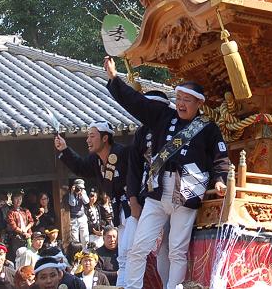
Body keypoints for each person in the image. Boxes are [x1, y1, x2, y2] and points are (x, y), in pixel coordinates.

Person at [104, 57, 230, 289]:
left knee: (176, 250)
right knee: (138, 247)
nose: (181, 104)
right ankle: (132, 286)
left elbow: (220, 158)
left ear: (198, 104)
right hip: (157, 191)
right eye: (179, 99)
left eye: (187, 100)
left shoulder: (208, 129)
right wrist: (114, 78)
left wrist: (221, 180)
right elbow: (137, 102)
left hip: (187, 193)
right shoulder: (163, 117)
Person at [54, 118, 132, 285]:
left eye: (92, 136)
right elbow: (80, 167)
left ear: (105, 138)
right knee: (124, 253)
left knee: (134, 251)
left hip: (135, 205)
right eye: (87, 136)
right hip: (120, 208)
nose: (88, 140)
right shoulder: (96, 160)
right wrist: (65, 149)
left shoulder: (124, 153)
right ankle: (124, 286)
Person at [126, 90, 175, 285]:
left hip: (178, 194)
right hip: (151, 195)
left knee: (171, 247)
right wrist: (133, 201)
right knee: (139, 246)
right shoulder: (141, 133)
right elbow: (134, 169)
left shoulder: (176, 126)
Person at [6, 193, 33, 262]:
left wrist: (26, 230)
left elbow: (31, 221)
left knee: (30, 255)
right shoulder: (10, 212)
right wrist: (23, 232)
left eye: (20, 199)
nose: (18, 201)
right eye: (16, 199)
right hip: (17, 237)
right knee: (18, 257)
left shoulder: (25, 210)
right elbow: (13, 226)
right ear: (12, 200)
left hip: (28, 235)